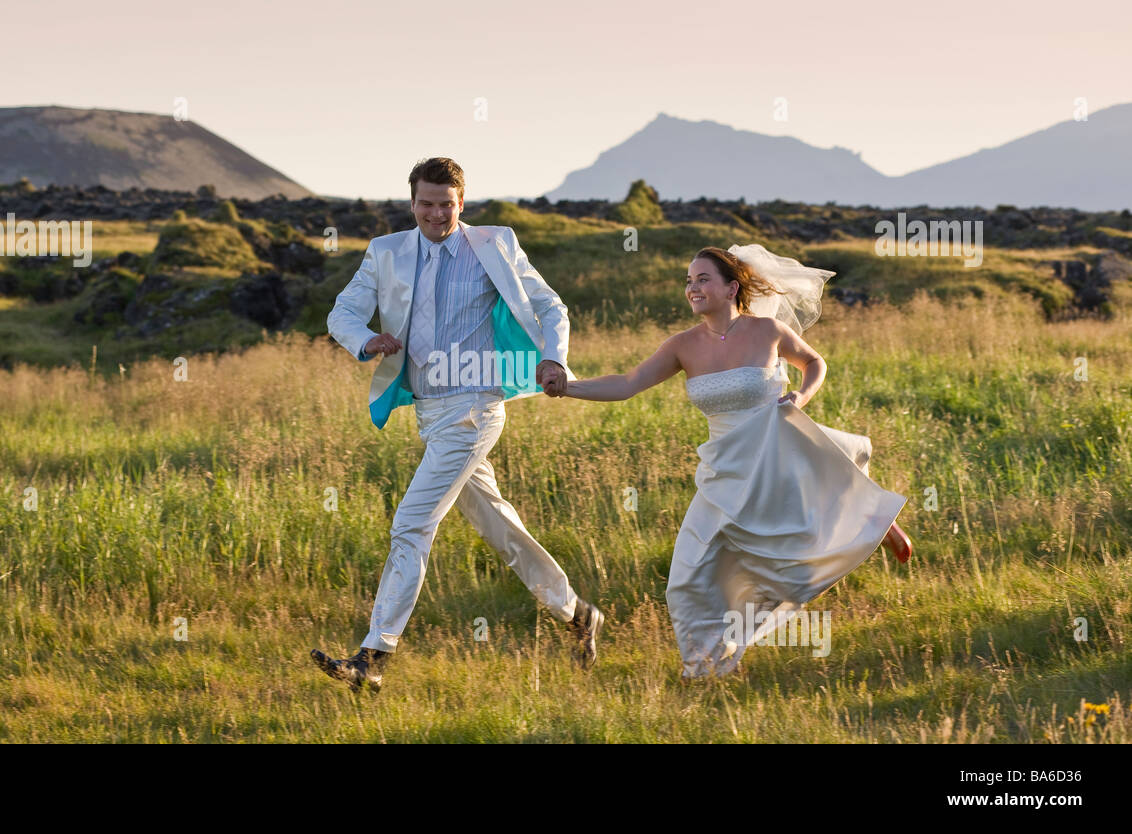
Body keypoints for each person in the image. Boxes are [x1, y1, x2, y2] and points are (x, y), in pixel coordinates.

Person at [547, 244, 912, 679]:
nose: (693, 288)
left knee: (786, 558)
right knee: (686, 578)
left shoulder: (767, 331)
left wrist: (801, 394)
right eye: (688, 280)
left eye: (703, 279)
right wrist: (567, 388)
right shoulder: (683, 345)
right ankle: (704, 665)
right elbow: (627, 384)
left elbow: (814, 362)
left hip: (774, 452)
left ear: (731, 288)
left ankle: (869, 517)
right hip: (724, 469)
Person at [316, 157, 604, 692]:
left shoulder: (494, 243)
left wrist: (554, 359)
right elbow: (341, 313)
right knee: (501, 529)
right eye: (426, 204)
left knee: (410, 525)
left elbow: (550, 306)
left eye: (446, 204)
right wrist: (365, 340)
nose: (435, 214)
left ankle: (372, 658)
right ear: (412, 204)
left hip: (476, 407)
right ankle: (578, 617)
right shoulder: (386, 252)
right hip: (430, 410)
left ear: (462, 203)